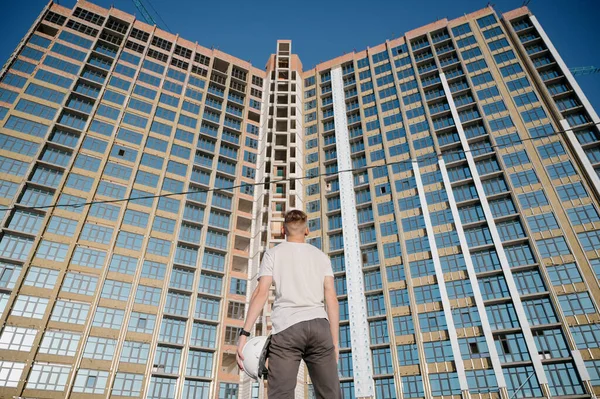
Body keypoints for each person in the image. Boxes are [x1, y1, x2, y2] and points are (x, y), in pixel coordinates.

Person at [236, 209, 342, 399]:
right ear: (307, 230)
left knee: (281, 395)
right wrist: (334, 344)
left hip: (287, 329)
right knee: (331, 395)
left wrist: (244, 334)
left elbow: (261, 293)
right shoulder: (322, 257)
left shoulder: (273, 254)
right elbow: (332, 300)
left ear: (284, 231)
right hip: (320, 327)